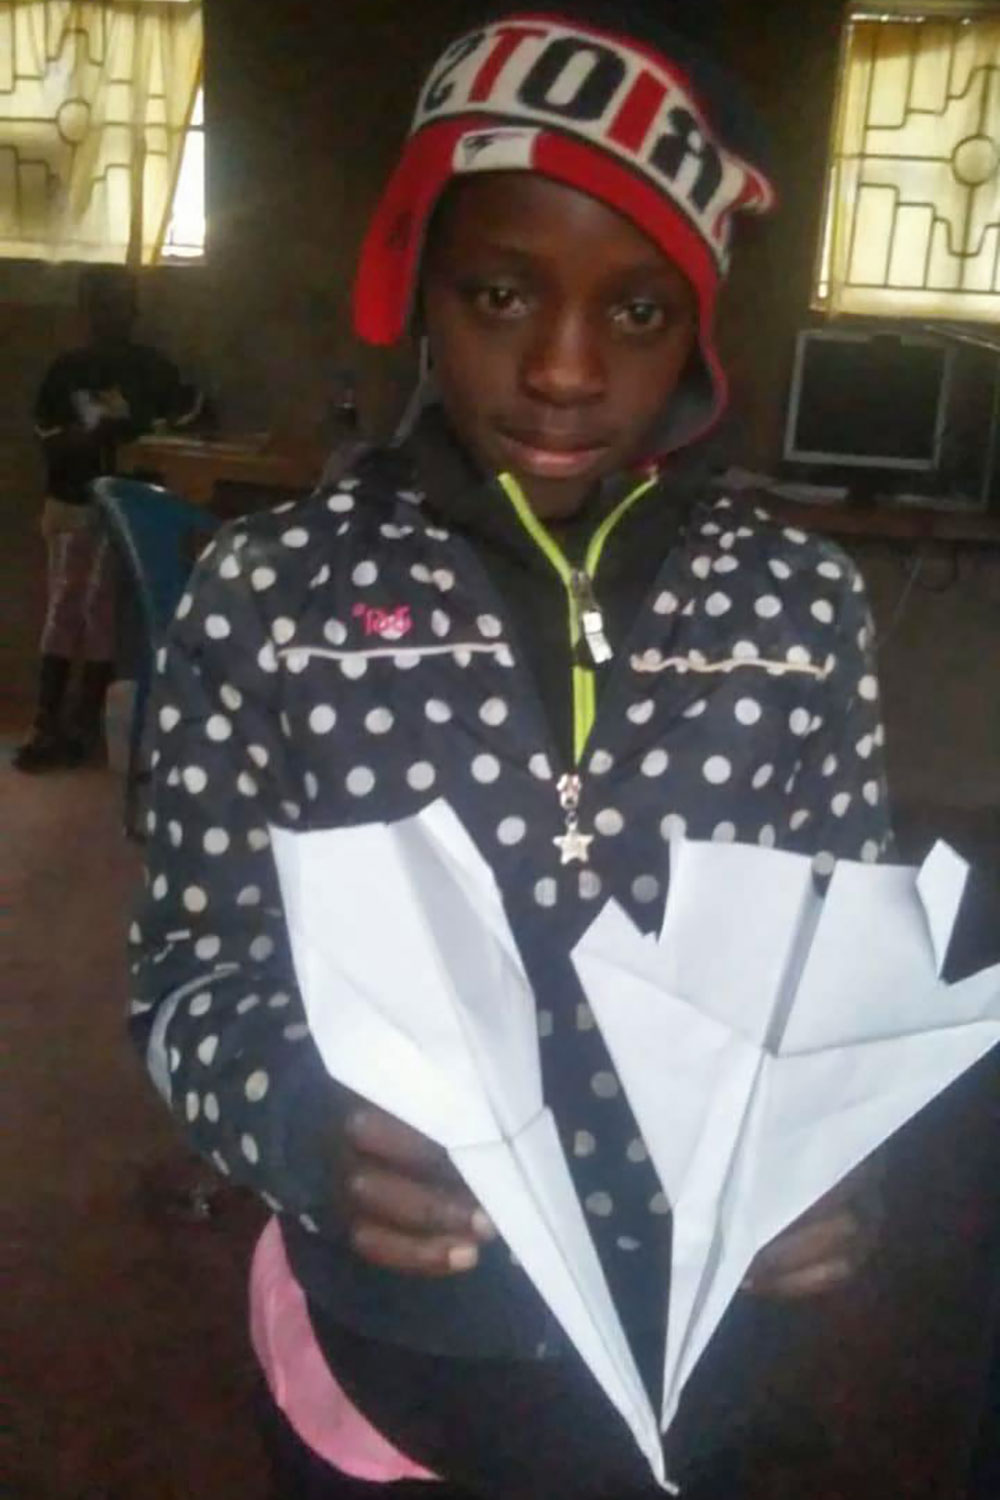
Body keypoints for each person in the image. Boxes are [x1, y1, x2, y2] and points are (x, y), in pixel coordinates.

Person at [129, 6, 892, 1496]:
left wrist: (836, 1164)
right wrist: (294, 1123)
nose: (561, 368)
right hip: (389, 1351)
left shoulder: (802, 608)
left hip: (700, 1350)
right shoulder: (275, 598)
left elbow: (837, 965)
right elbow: (185, 972)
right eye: (499, 292)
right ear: (419, 283)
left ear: (699, 328)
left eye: (636, 312)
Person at [14, 265, 202, 773]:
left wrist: (150, 434)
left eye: (122, 305)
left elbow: (191, 414)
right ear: (86, 312)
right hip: (73, 504)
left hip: (121, 510)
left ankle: (80, 725)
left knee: (99, 618)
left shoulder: (150, 368)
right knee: (64, 608)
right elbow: (49, 440)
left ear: (134, 312)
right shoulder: (67, 370)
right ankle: (45, 721)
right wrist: (89, 440)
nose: (114, 315)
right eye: (103, 305)